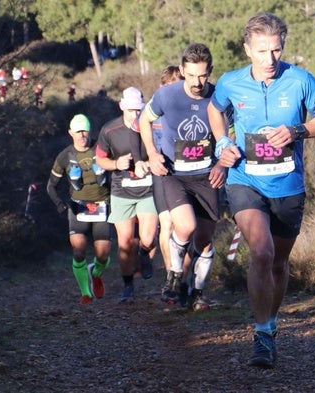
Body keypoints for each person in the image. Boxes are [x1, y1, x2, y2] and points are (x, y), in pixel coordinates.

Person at [207, 12, 315, 368]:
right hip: (244, 178)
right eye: (262, 51)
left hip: (288, 185)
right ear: (247, 49)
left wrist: (297, 131)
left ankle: (271, 322)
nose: (270, 60)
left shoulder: (300, 80)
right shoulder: (231, 82)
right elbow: (215, 110)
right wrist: (222, 144)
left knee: (279, 263)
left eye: (276, 50)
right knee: (262, 253)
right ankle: (262, 336)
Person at [139, 44, 226, 311]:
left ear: (209, 72)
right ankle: (173, 276)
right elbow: (144, 120)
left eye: (202, 76)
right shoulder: (167, 95)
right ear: (182, 71)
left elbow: (229, 131)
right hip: (174, 173)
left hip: (207, 175)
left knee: (204, 240)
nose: (197, 82)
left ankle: (196, 292)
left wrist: (223, 164)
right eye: (190, 75)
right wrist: (153, 154)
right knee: (184, 226)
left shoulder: (220, 96)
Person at [96, 87, 159, 303]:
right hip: (121, 192)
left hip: (148, 190)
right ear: (121, 106)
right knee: (124, 243)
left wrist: (151, 164)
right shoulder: (109, 130)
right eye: (131, 110)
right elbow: (100, 159)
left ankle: (144, 253)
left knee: (148, 238)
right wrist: (115, 163)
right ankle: (128, 285)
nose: (135, 114)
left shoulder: (151, 127)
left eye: (138, 110)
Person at [46, 114, 112, 305]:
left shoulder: (101, 149)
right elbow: (51, 186)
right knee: (78, 252)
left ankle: (96, 272)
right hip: (78, 208)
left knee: (103, 255)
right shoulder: (65, 156)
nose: (82, 135)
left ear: (90, 131)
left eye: (85, 130)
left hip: (102, 205)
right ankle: (86, 293)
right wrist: (60, 204)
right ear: (70, 133)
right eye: (78, 132)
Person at [148, 65, 184, 303]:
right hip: (162, 172)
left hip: (189, 173)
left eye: (177, 84)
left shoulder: (189, 107)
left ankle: (184, 277)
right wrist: (148, 157)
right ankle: (171, 277)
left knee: (186, 228)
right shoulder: (154, 109)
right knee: (167, 224)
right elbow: (139, 134)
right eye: (168, 85)